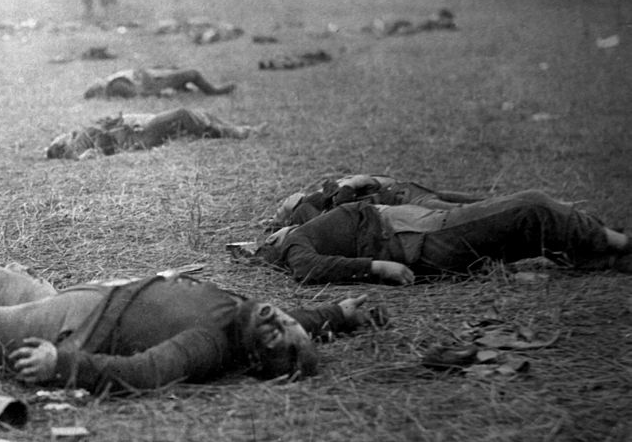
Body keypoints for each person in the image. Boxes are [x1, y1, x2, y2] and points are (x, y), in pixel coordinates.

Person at [0, 264, 378, 395]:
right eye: (288, 326)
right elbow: (299, 324)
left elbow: (145, 373)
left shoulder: (214, 341)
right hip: (76, 298)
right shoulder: (254, 315)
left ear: (257, 356)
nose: (278, 322)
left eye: (276, 340)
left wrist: (64, 369)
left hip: (65, 329)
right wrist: (342, 316)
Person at [255, 190, 632, 285]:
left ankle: (601, 255)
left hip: (420, 228)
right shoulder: (293, 244)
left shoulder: (306, 226)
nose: (277, 227)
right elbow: (309, 269)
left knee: (523, 227)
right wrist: (378, 267)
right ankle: (620, 243)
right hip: (419, 238)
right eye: (272, 232)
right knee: (531, 207)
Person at [45, 107, 264, 160]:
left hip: (136, 127)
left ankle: (241, 130)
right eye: (59, 139)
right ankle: (238, 133)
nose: (63, 135)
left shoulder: (79, 137)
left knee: (198, 113)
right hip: (136, 136)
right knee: (182, 113)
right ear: (61, 146)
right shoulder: (77, 147)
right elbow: (98, 149)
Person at [271, 174, 485, 228]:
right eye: (281, 207)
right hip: (408, 201)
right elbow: (344, 210)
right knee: (467, 210)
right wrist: (350, 185)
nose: (284, 200)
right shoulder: (312, 209)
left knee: (480, 202)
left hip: (404, 189)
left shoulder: (320, 194)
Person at [83, 67, 236, 100]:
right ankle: (213, 91)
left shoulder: (113, 80)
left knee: (181, 74)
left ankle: (187, 90)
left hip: (154, 77)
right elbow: (138, 93)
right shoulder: (115, 84)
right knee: (193, 74)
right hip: (155, 83)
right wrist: (160, 93)